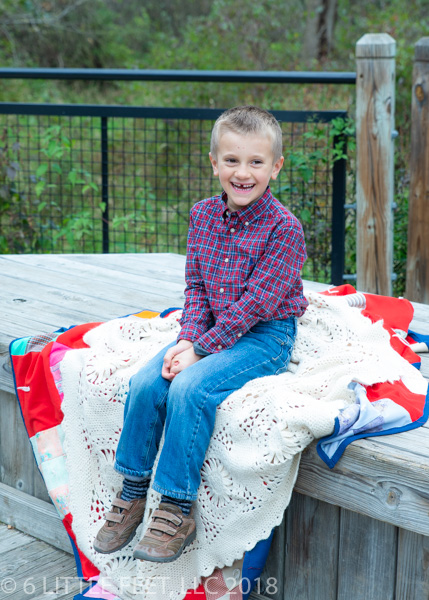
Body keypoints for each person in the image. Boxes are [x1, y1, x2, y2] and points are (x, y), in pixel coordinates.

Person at [94, 105, 308, 563]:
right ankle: (132, 490)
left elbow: (255, 306)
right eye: (231, 160)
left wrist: (201, 351)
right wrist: (187, 340)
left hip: (264, 335)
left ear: (275, 167)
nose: (243, 173)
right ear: (214, 163)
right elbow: (196, 288)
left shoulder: (284, 229)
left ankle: (176, 506)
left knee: (189, 387)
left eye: (255, 162)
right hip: (211, 325)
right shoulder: (203, 215)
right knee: (147, 381)